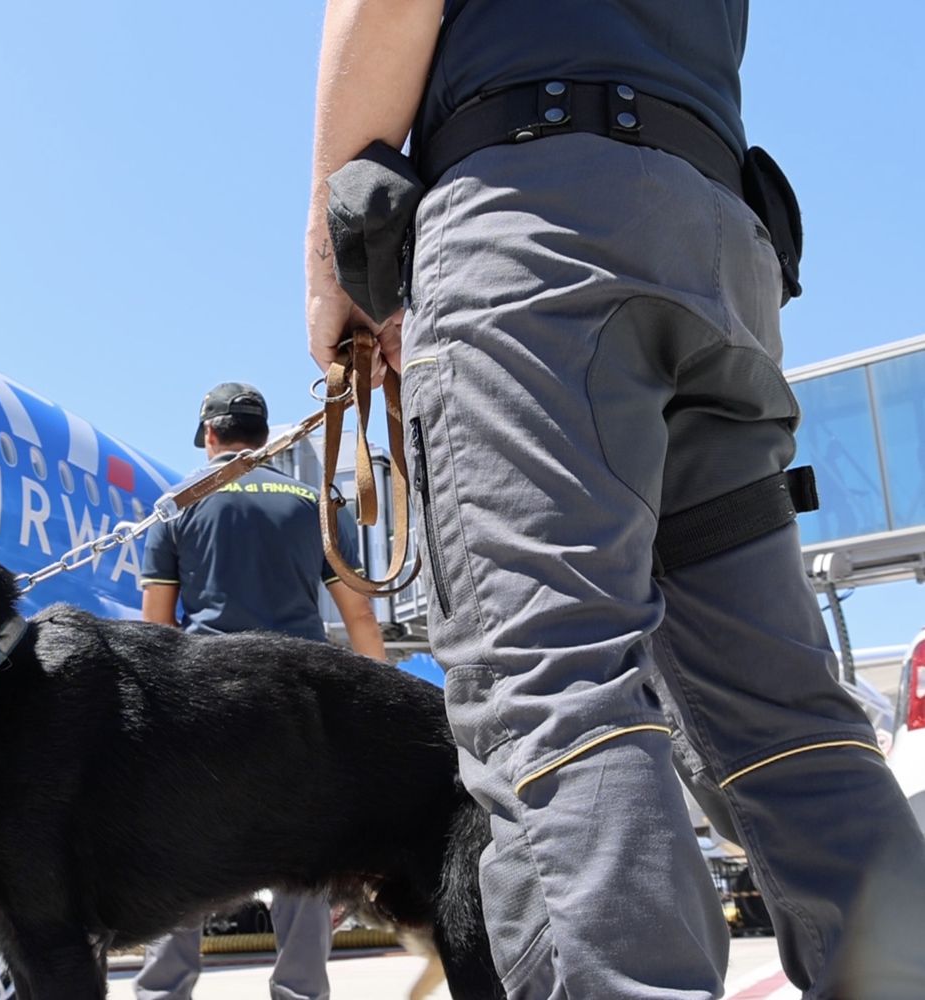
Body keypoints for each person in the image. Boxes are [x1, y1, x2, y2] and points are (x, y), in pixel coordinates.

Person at [304, 3, 925, 998]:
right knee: (785, 710)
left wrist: (336, 264)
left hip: (536, 234)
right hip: (715, 242)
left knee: (554, 686)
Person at [134, 381, 386, 1000]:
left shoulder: (179, 504)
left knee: (181, 851)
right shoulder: (314, 502)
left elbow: (155, 630)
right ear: (265, 438)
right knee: (302, 860)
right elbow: (360, 619)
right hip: (297, 698)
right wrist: (374, 707)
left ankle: (163, 992)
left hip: (205, 695)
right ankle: (299, 992)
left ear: (211, 436)